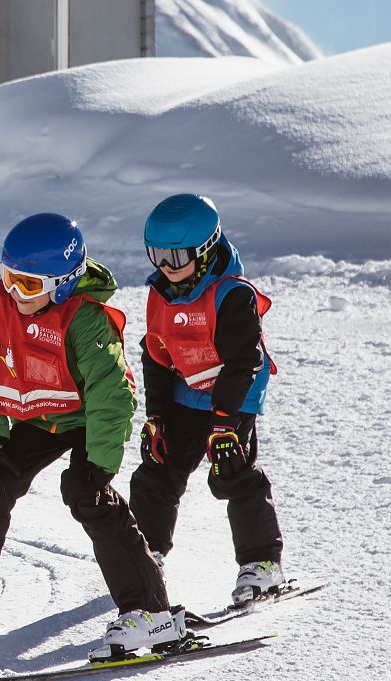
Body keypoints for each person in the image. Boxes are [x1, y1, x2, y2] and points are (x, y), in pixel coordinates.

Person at [0, 212, 184, 662]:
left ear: (62, 282)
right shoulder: (3, 305)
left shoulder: (86, 321)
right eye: (8, 277)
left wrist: (100, 463)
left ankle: (149, 612)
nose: (13, 291)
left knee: (85, 492)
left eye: (27, 285)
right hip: (38, 416)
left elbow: (111, 395)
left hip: (86, 417)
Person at [128, 193, 286, 605]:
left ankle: (262, 563)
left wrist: (223, 424)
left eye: (176, 258)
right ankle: (146, 553)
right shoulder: (162, 292)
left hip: (233, 393)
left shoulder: (233, 295)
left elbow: (241, 363)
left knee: (230, 469)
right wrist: (157, 416)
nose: (165, 267)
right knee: (158, 470)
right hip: (185, 390)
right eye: (156, 255)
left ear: (206, 249)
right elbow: (156, 355)